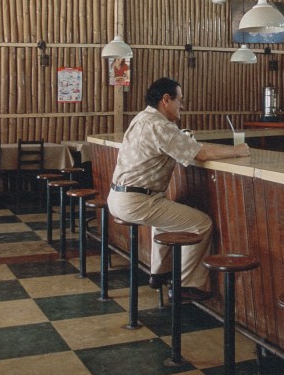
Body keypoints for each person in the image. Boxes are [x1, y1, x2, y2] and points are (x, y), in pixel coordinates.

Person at [107, 77, 250, 301]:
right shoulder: (159, 125)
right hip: (136, 201)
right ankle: (187, 284)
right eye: (179, 100)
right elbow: (200, 153)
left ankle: (159, 273)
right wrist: (238, 150)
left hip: (119, 197)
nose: (182, 106)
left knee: (166, 216)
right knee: (201, 224)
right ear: (166, 99)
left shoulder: (143, 118)